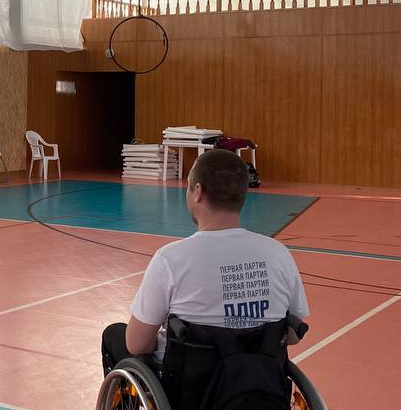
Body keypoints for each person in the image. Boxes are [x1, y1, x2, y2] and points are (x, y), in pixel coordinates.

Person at [101, 149, 309, 381]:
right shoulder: (278, 253)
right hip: (260, 383)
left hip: (190, 388)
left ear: (198, 191)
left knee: (114, 335)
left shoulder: (171, 259)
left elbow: (137, 344)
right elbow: (293, 335)